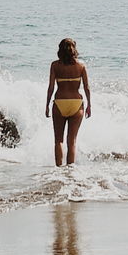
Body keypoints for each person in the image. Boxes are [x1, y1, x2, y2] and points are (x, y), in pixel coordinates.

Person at [45, 37, 91, 166]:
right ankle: (70, 173)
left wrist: (47, 104)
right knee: (72, 141)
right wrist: (89, 105)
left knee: (58, 140)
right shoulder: (81, 66)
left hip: (60, 103)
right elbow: (87, 87)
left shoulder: (55, 65)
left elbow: (51, 87)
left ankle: (58, 171)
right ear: (74, 50)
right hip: (76, 104)